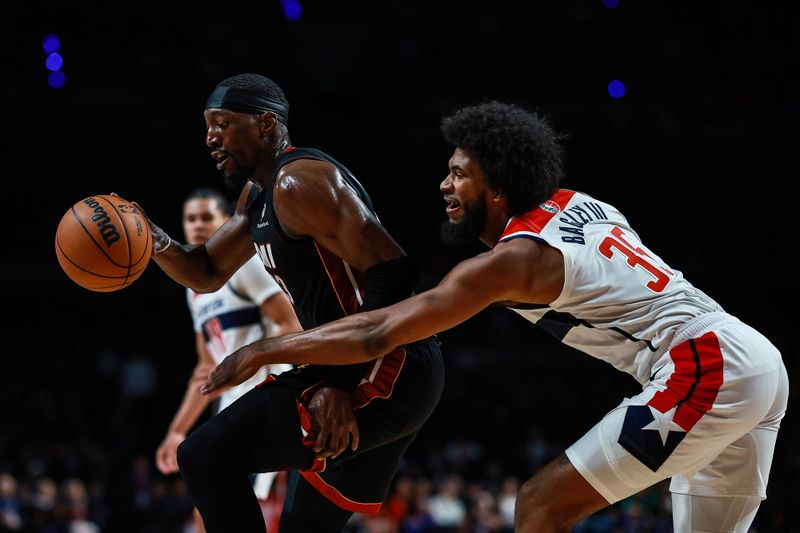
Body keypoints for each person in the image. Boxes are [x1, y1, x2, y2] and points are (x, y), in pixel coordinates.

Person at [203, 101, 789, 533]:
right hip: (756, 360)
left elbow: (380, 331)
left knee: (538, 506)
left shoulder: (514, 260)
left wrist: (264, 351)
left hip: (706, 365)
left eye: (459, 173)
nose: (444, 185)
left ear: (501, 188)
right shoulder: (577, 205)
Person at [137, 73, 445, 533]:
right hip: (357, 361)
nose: (209, 137)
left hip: (387, 363)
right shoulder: (258, 195)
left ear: (265, 124)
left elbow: (394, 271)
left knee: (204, 455)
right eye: (207, 125)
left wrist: (341, 382)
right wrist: (151, 238)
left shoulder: (300, 181)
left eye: (222, 124)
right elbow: (205, 271)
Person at [154, 188, 301, 532]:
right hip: (231, 402)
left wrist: (249, 360)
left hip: (270, 389)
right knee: (209, 511)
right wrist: (176, 431)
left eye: (207, 217)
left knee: (226, 510)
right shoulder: (195, 293)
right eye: (191, 218)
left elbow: (290, 323)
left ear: (225, 223)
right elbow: (204, 370)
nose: (198, 225)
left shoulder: (245, 266)